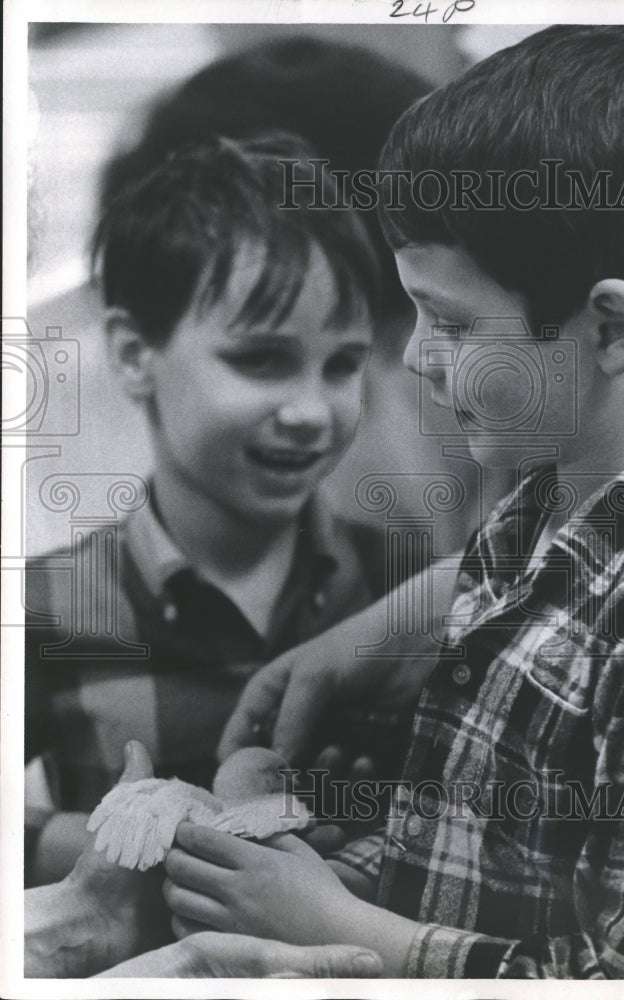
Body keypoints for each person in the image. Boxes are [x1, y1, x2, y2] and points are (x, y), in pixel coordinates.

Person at [170, 25, 624, 979]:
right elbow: (470, 856)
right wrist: (298, 853)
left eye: (452, 323)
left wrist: (338, 925)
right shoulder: (536, 525)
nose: (417, 356)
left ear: (610, 328)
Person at [24, 133, 387, 886]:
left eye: (342, 364)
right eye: (261, 360)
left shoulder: (402, 590)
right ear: (134, 354)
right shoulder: (46, 607)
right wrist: (126, 843)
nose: (311, 411)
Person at [24, 741, 382, 979]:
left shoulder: (184, 796)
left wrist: (88, 908)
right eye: (281, 772)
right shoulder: (283, 811)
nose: (293, 779)